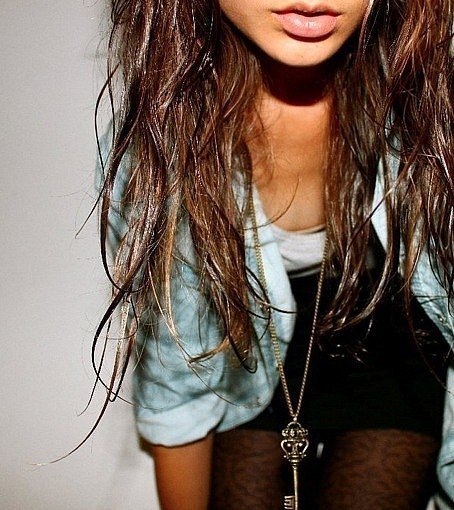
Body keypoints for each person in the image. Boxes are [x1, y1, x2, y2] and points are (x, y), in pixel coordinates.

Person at [96, 0, 453, 508]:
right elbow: (179, 377)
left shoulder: (433, 99)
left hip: (390, 331)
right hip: (242, 337)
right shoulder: (160, 143)